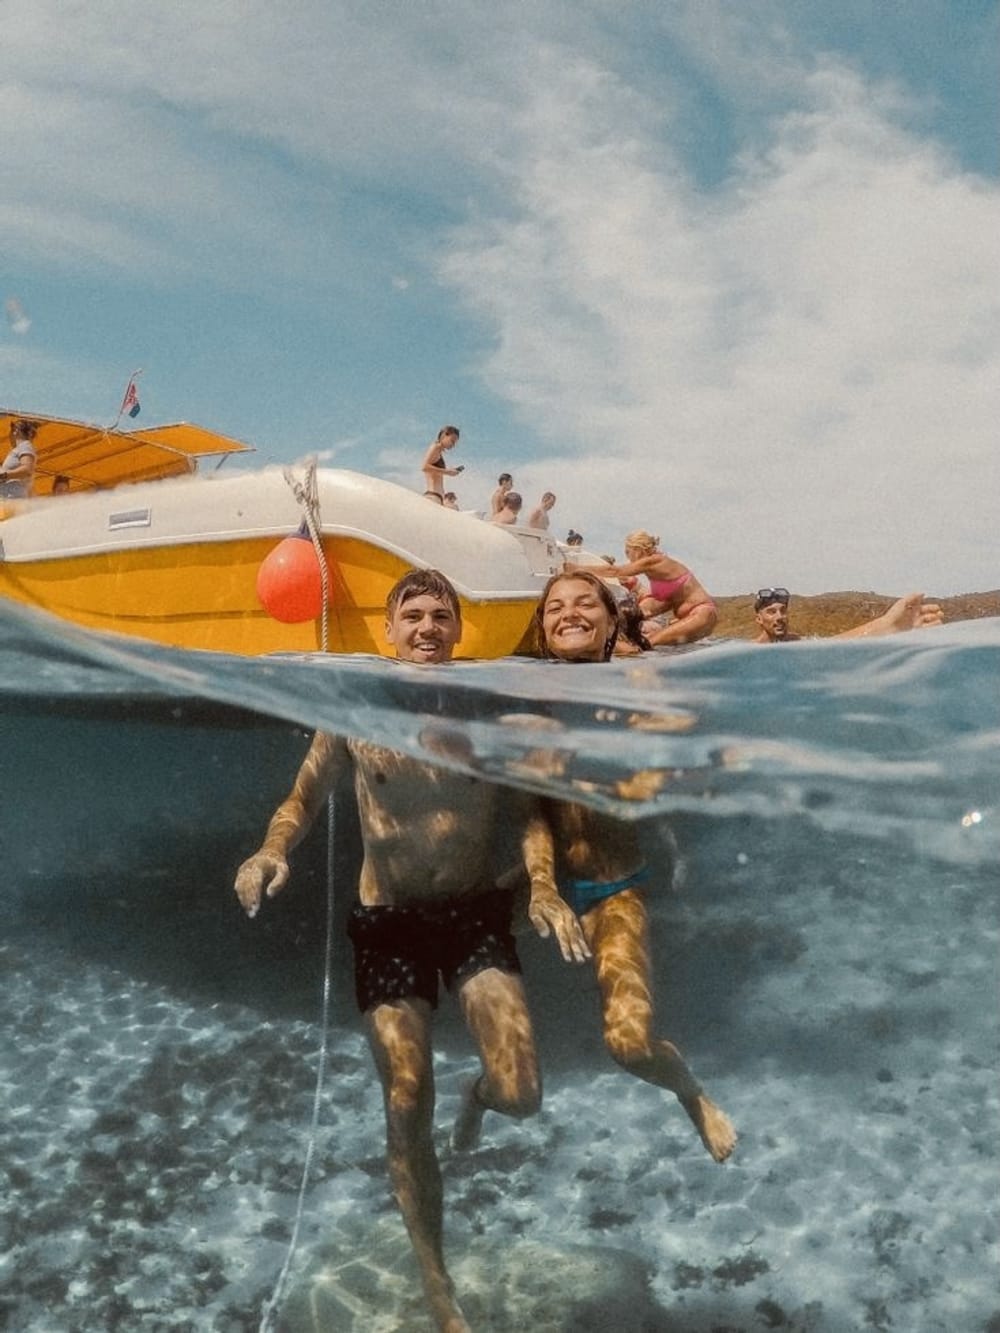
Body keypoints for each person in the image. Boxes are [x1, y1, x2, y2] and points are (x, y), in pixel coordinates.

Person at [234, 569, 576, 1333]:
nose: (427, 627)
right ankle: (435, 1280)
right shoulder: (358, 711)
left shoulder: (486, 715)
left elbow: (526, 814)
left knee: (521, 1091)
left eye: (441, 615)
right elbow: (302, 797)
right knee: (404, 1100)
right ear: (389, 632)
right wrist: (270, 849)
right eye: (412, 615)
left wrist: (545, 887)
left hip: (474, 913)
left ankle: (478, 1099)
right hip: (389, 923)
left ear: (459, 631)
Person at [524, 569, 737, 1164]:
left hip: (608, 888)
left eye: (585, 603)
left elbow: (686, 753)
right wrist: (540, 885)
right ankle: (479, 1098)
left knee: (629, 1043)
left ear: (611, 617)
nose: (569, 613)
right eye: (555, 607)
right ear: (541, 627)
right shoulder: (526, 695)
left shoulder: (640, 685)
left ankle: (691, 1095)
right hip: (525, 886)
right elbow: (532, 812)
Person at [571, 530, 717, 646]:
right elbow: (666, 601)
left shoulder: (655, 561)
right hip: (692, 616)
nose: (628, 558)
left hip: (702, 614)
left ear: (638, 549)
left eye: (628, 552)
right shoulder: (655, 570)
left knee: (647, 643)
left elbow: (615, 571)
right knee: (631, 620)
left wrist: (576, 569)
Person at [754, 586, 944, 643]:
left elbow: (836, 642)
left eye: (783, 611)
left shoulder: (795, 643)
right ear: (759, 619)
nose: (779, 616)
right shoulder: (753, 649)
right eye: (771, 612)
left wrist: (889, 625)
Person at [421, 426, 463, 498]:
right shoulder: (436, 447)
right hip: (433, 495)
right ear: (444, 435)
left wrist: (449, 471)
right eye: (452, 441)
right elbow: (424, 467)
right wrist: (447, 472)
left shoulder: (439, 451)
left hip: (437, 496)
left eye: (455, 443)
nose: (453, 445)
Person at [0, 419, 38, 498]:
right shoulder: (20, 449)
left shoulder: (25, 446)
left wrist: (3, 475)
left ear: (15, 431)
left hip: (13, 499)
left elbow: (27, 470)